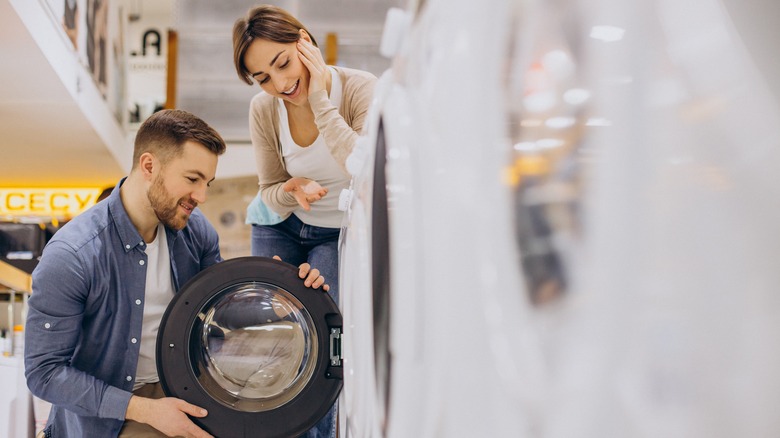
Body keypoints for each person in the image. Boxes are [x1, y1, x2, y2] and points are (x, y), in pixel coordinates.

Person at [24, 109, 329, 438]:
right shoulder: (74, 255)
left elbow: (223, 311)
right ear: (149, 166)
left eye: (207, 183)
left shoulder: (194, 232)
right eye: (192, 179)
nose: (202, 196)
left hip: (189, 387)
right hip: (114, 411)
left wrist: (285, 291)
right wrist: (149, 411)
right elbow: (44, 372)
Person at [232, 4, 377, 308]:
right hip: (279, 225)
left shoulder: (360, 89)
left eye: (283, 63)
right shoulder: (263, 109)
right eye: (264, 79)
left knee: (321, 312)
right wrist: (290, 189)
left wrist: (319, 102)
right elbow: (269, 190)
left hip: (335, 230)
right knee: (271, 311)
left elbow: (364, 170)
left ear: (304, 42)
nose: (281, 85)